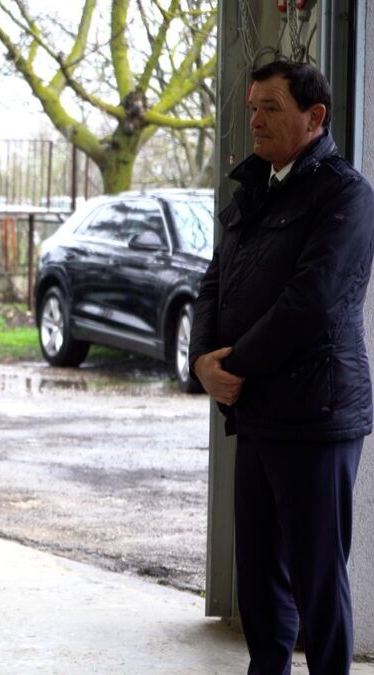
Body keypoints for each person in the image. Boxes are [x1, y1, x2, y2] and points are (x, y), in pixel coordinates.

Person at [189, 61, 374, 674]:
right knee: (260, 582)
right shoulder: (255, 189)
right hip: (258, 412)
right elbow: (213, 283)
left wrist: (233, 366)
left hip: (317, 414)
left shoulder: (346, 194)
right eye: (252, 108)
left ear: (314, 116)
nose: (255, 120)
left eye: (270, 107)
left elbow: (312, 302)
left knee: (318, 580)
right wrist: (203, 361)